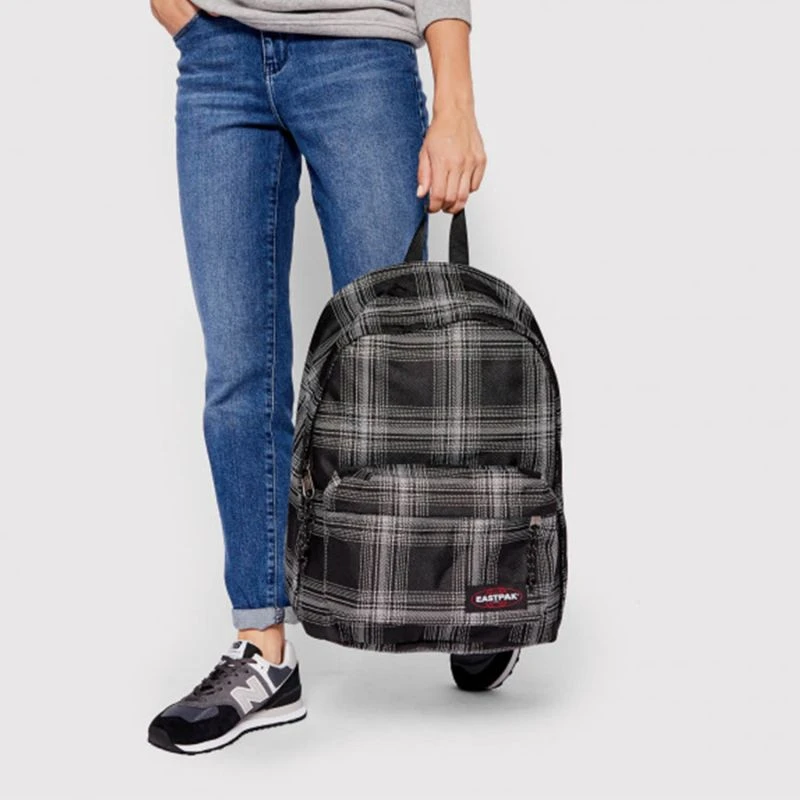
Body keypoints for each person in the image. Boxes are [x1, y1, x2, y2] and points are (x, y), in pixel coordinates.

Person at [147, 0, 498, 756]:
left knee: (397, 364)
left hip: (359, 54)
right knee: (239, 375)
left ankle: (472, 592)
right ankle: (263, 651)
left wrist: (455, 98)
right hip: (219, 60)